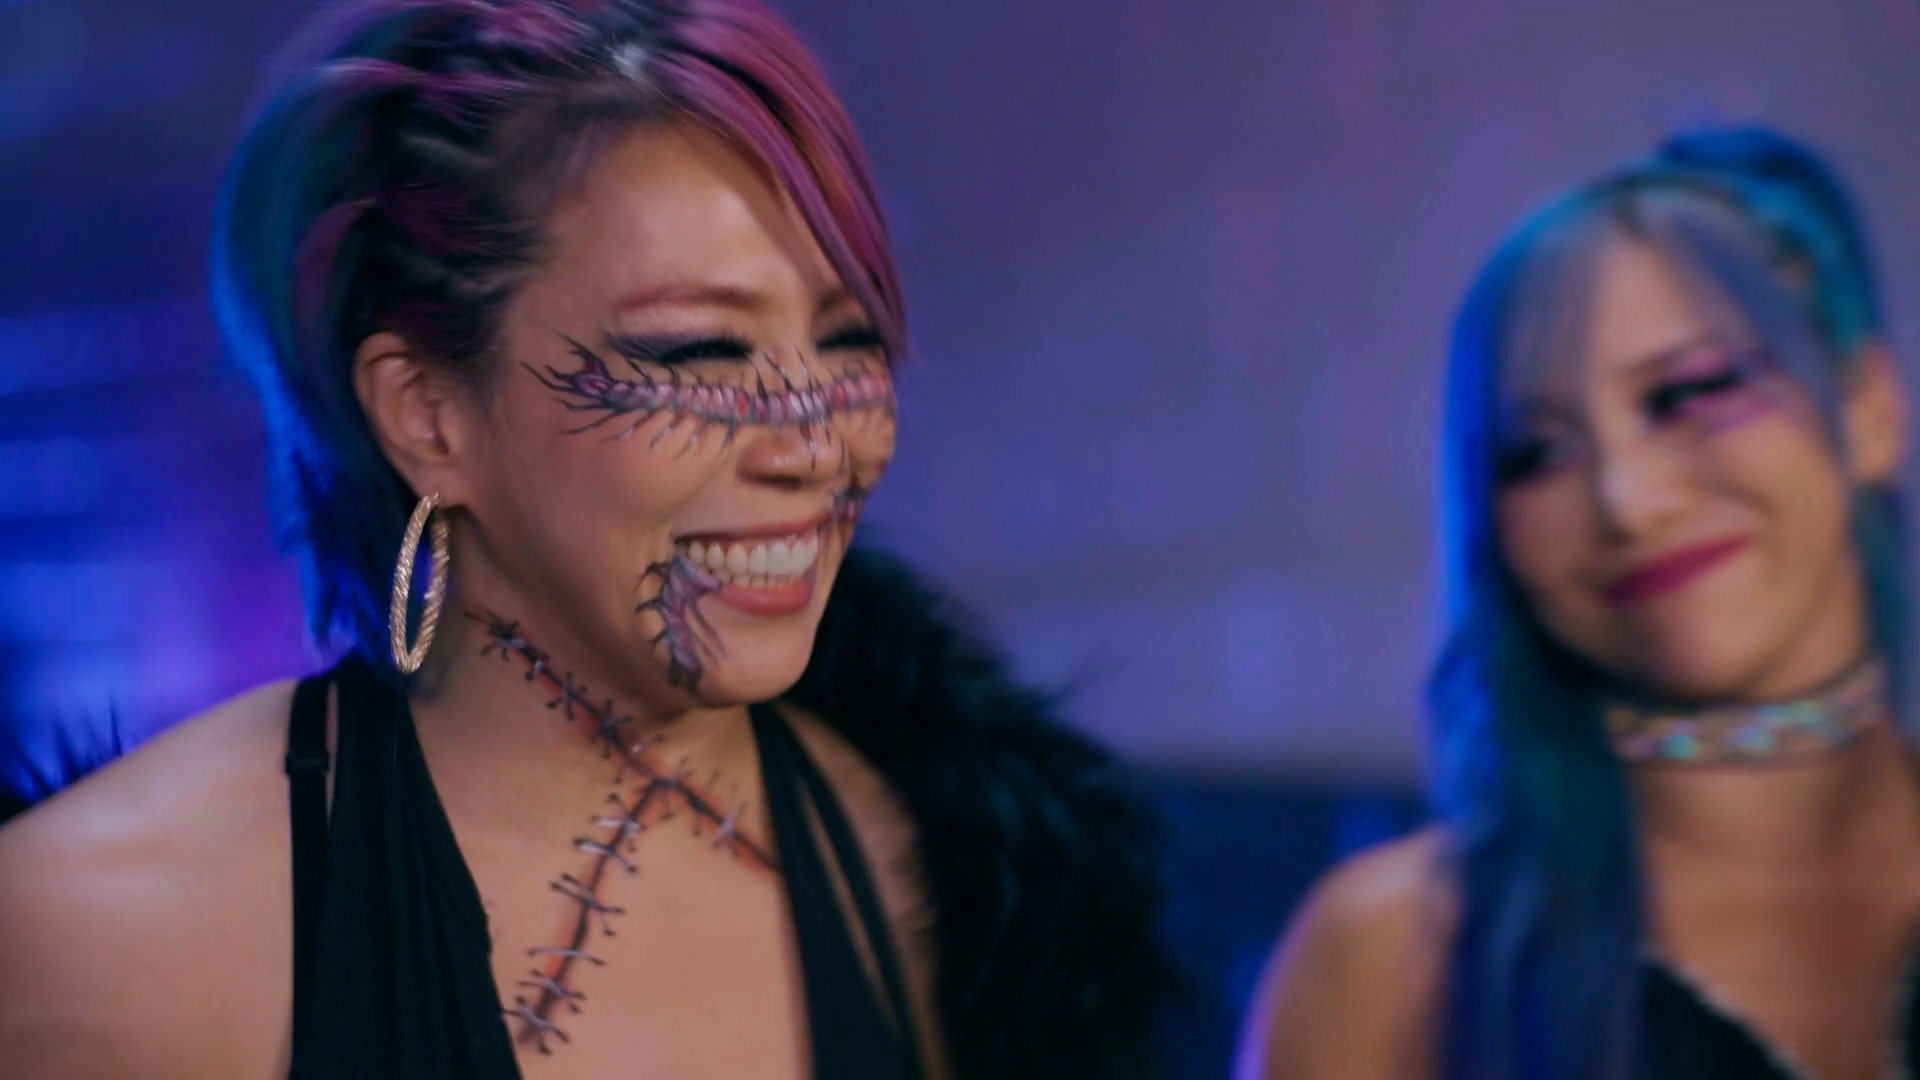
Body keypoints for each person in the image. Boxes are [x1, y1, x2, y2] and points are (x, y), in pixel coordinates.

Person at [0, 2, 1176, 1076]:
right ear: (428, 413)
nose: (818, 447)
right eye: (698, 352)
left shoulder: (931, 875)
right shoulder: (103, 934)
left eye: (847, 341)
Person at [1237, 127, 1920, 1079]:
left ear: (1869, 410)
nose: (1628, 502)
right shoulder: (1393, 961)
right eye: (1539, 454)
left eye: (1689, 393)